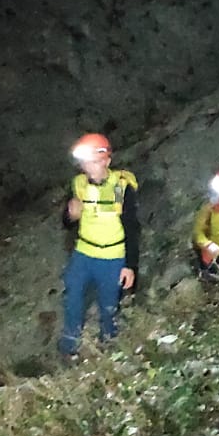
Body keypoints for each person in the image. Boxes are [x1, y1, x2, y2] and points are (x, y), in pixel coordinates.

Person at [58, 132, 139, 357]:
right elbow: (67, 221)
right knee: (73, 294)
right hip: (83, 253)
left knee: (108, 303)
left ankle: (109, 344)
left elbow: (131, 226)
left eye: (93, 162)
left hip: (112, 256)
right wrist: (70, 215)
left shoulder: (119, 187)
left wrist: (130, 265)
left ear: (106, 161)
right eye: (85, 162)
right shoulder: (79, 184)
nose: (88, 167)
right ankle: (70, 344)